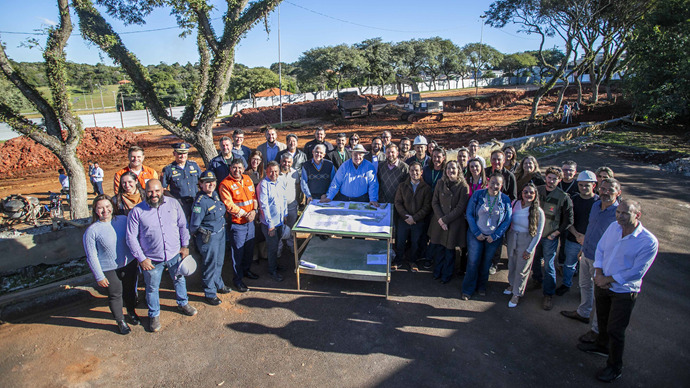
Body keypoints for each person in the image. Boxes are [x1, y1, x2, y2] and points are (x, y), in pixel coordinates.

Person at [577, 200, 658, 383]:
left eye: (625, 213)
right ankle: (601, 345)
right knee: (603, 321)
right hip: (602, 283)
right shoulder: (614, 227)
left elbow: (637, 272)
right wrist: (598, 273)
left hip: (623, 291)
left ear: (637, 215)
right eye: (618, 212)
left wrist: (608, 279)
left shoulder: (648, 241)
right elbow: (601, 249)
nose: (619, 216)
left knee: (616, 330)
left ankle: (615, 367)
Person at [126, 179, 196, 333]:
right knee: (152, 288)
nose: (154, 194)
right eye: (150, 191)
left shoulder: (173, 204)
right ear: (145, 192)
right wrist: (141, 259)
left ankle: (183, 303)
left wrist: (185, 246)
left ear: (162, 190)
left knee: (179, 279)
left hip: (174, 253)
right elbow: (131, 237)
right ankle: (154, 315)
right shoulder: (137, 211)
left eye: (157, 191)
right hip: (152, 259)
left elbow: (183, 225)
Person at [561, 178, 621, 344]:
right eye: (603, 189)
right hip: (587, 253)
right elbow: (591, 229)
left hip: (602, 261)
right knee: (584, 285)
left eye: (610, 190)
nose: (606, 192)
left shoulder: (618, 214)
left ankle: (597, 330)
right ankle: (583, 312)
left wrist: (605, 265)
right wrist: (583, 247)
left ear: (618, 193)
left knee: (600, 296)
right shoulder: (595, 206)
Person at [83, 194, 139, 334]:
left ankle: (131, 312)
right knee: (115, 294)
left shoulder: (124, 220)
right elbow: (91, 256)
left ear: (112, 207)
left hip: (129, 263)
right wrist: (99, 276)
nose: (105, 210)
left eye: (107, 206)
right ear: (95, 210)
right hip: (108, 268)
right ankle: (120, 320)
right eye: (100, 208)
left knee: (130, 290)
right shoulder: (92, 231)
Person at [461, 173, 512, 300]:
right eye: (493, 182)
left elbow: (507, 220)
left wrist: (495, 235)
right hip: (476, 234)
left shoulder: (505, 200)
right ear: (488, 182)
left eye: (498, 184)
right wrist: (476, 232)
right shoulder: (478, 195)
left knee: (486, 263)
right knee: (473, 262)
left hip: (492, 237)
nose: (494, 186)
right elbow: (469, 213)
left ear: (501, 186)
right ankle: (468, 289)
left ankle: (481, 287)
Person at [532, 166, 574, 311]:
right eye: (549, 178)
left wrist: (556, 233)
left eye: (554, 179)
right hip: (535, 233)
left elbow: (568, 220)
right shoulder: (537, 191)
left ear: (559, 180)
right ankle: (537, 279)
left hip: (549, 235)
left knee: (549, 265)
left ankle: (548, 294)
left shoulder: (563, 197)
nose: (551, 181)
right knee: (534, 259)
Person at [189, 171, 232, 304]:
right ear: (201, 184)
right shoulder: (200, 202)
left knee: (219, 262)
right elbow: (194, 226)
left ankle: (219, 284)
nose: (210, 184)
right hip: (209, 238)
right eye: (207, 182)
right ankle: (210, 292)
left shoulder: (214, 195)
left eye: (212, 181)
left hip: (220, 233)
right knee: (210, 264)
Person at [219, 158, 260, 292]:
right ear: (230, 168)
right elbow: (229, 205)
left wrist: (254, 211)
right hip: (238, 224)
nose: (237, 170)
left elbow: (254, 196)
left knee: (249, 249)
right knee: (238, 252)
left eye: (239, 168)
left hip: (250, 222)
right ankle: (237, 279)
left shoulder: (248, 179)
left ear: (243, 168)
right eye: (234, 168)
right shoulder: (225, 184)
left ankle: (247, 270)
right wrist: (245, 214)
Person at [556, 171, 599, 297]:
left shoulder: (598, 203)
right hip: (573, 239)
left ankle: (586, 291)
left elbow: (598, 224)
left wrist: (586, 238)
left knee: (590, 269)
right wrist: (577, 235)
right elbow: (567, 220)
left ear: (594, 186)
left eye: (587, 185)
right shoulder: (572, 200)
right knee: (569, 265)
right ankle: (566, 284)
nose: (584, 188)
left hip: (591, 242)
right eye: (581, 185)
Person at [427, 161, 470, 284]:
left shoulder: (463, 187)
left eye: (453, 168)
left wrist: (445, 220)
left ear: (458, 170)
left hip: (454, 223)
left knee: (450, 251)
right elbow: (434, 202)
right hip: (439, 222)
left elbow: (460, 207)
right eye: (448, 168)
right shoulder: (440, 183)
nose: (451, 171)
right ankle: (437, 271)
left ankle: (447, 274)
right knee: (439, 249)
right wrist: (441, 219)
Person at [504, 183, 545, 308]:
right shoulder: (515, 204)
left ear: (535, 195)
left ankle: (517, 293)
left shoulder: (538, 211)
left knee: (522, 269)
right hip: (513, 237)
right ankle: (512, 284)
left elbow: (538, 233)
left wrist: (529, 249)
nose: (528, 194)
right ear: (522, 193)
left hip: (526, 239)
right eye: (526, 192)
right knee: (512, 264)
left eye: (531, 192)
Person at [393, 162, 432, 272]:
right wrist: (406, 216)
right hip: (403, 219)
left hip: (418, 221)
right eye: (412, 170)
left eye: (416, 170)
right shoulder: (402, 186)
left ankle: (412, 261)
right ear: (409, 172)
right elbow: (398, 202)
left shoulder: (426, 188)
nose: (414, 173)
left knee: (415, 242)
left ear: (421, 172)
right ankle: (398, 260)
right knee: (400, 241)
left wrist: (414, 218)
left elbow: (427, 206)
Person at [257, 161, 288, 282]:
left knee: (276, 245)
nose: (273, 174)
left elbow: (284, 198)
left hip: (280, 221)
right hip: (270, 224)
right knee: (272, 247)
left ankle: (275, 265)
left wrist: (285, 214)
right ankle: (272, 270)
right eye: (271, 171)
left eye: (276, 171)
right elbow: (264, 206)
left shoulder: (280, 181)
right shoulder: (264, 185)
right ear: (266, 171)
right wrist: (270, 225)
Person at [160, 143, 201, 218]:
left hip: (195, 202)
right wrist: (174, 200)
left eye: (184, 153)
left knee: (196, 221)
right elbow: (163, 189)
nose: (182, 156)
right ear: (174, 153)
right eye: (179, 153)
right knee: (182, 224)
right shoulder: (168, 169)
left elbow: (202, 182)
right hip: (180, 204)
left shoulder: (194, 165)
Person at [278, 153, 301, 256]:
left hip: (292, 205)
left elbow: (298, 186)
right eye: (284, 161)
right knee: (278, 228)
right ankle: (279, 248)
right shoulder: (275, 173)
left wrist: (298, 200)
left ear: (292, 163)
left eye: (289, 162)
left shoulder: (295, 173)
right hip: (278, 207)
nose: (286, 164)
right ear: (280, 161)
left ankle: (291, 245)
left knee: (291, 226)